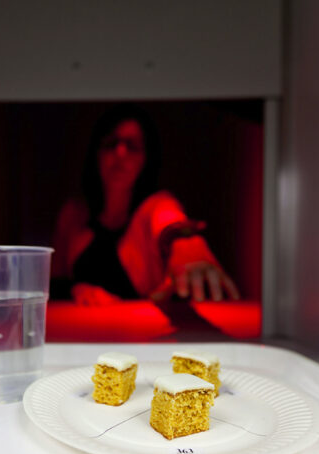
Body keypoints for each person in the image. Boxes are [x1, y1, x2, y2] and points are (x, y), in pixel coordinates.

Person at [51, 104, 239, 306]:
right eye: (111, 143)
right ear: (96, 153)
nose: (120, 152)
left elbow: (173, 226)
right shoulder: (74, 214)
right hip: (76, 333)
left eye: (132, 145)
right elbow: (53, 283)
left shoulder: (155, 206)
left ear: (145, 158)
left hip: (141, 334)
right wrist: (75, 290)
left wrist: (191, 254)